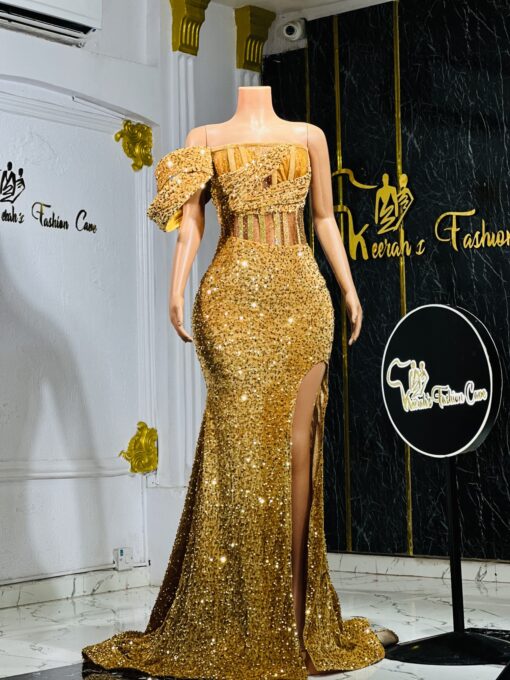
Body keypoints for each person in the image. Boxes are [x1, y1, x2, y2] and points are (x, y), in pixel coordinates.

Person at [82, 85, 397, 679]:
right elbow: (191, 225)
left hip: (303, 301)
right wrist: (175, 288)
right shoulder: (203, 139)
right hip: (230, 303)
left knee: (300, 452)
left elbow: (324, 220)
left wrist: (350, 288)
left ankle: (297, 617)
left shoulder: (309, 137)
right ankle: (237, 615)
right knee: (238, 456)